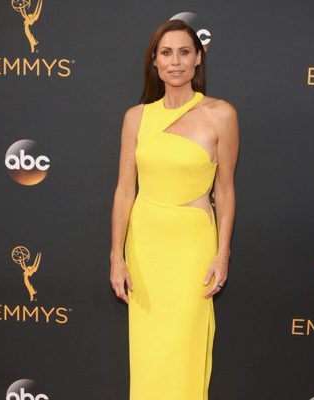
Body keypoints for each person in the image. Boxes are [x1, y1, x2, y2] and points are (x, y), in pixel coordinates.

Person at [110, 18, 239, 400]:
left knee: (185, 348)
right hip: (145, 245)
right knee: (149, 352)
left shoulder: (221, 115)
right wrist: (117, 256)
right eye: (166, 53)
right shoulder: (136, 118)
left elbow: (226, 190)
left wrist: (223, 253)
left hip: (192, 245)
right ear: (155, 61)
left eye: (184, 52)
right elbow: (123, 191)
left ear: (199, 58)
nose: (175, 61)